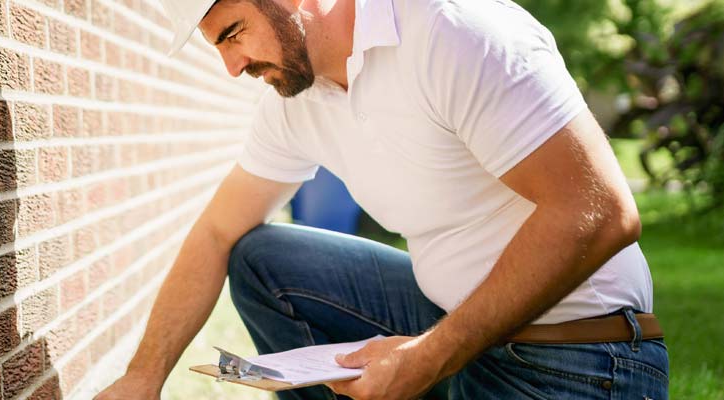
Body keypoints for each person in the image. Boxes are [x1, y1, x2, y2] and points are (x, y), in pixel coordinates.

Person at [94, 0, 669, 398]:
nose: (232, 66)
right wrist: (143, 377)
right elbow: (218, 231)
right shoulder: (295, 102)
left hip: (576, 358)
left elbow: (599, 214)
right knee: (262, 259)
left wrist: (430, 355)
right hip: (453, 326)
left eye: (233, 32)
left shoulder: (454, 31)